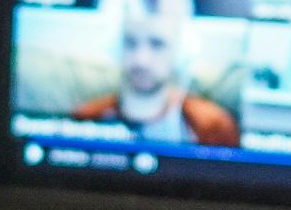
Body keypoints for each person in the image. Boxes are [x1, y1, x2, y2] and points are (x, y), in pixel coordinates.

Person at [71, 12, 240, 147]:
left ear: (179, 53)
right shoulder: (87, 117)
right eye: (130, 43)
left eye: (157, 44)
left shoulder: (213, 126)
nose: (141, 59)